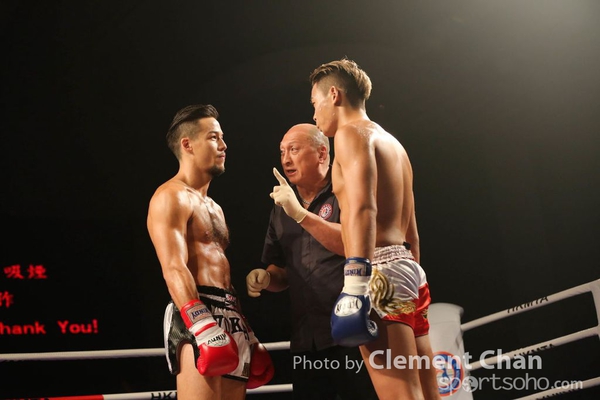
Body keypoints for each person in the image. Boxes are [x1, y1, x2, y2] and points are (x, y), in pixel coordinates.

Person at [309, 59, 442, 400]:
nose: (314, 114)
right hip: (408, 270)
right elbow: (411, 230)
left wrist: (356, 281)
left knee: (401, 395)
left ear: (334, 95)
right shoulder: (394, 144)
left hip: (377, 271)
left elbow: (362, 208)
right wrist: (412, 280)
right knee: (429, 394)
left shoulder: (350, 134)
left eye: (315, 103)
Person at [147, 104, 273, 400]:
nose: (223, 145)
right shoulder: (171, 196)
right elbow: (173, 267)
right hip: (195, 310)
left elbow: (222, 275)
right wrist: (201, 324)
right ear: (187, 144)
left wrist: (246, 330)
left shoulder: (214, 207)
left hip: (229, 313)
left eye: (222, 137)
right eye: (214, 137)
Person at [246, 123, 378, 399]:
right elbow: (280, 269)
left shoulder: (346, 190)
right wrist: (266, 278)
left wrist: (300, 214)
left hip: (354, 332)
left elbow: (355, 244)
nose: (286, 159)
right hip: (306, 340)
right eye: (282, 151)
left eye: (294, 149)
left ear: (321, 154)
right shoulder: (281, 207)